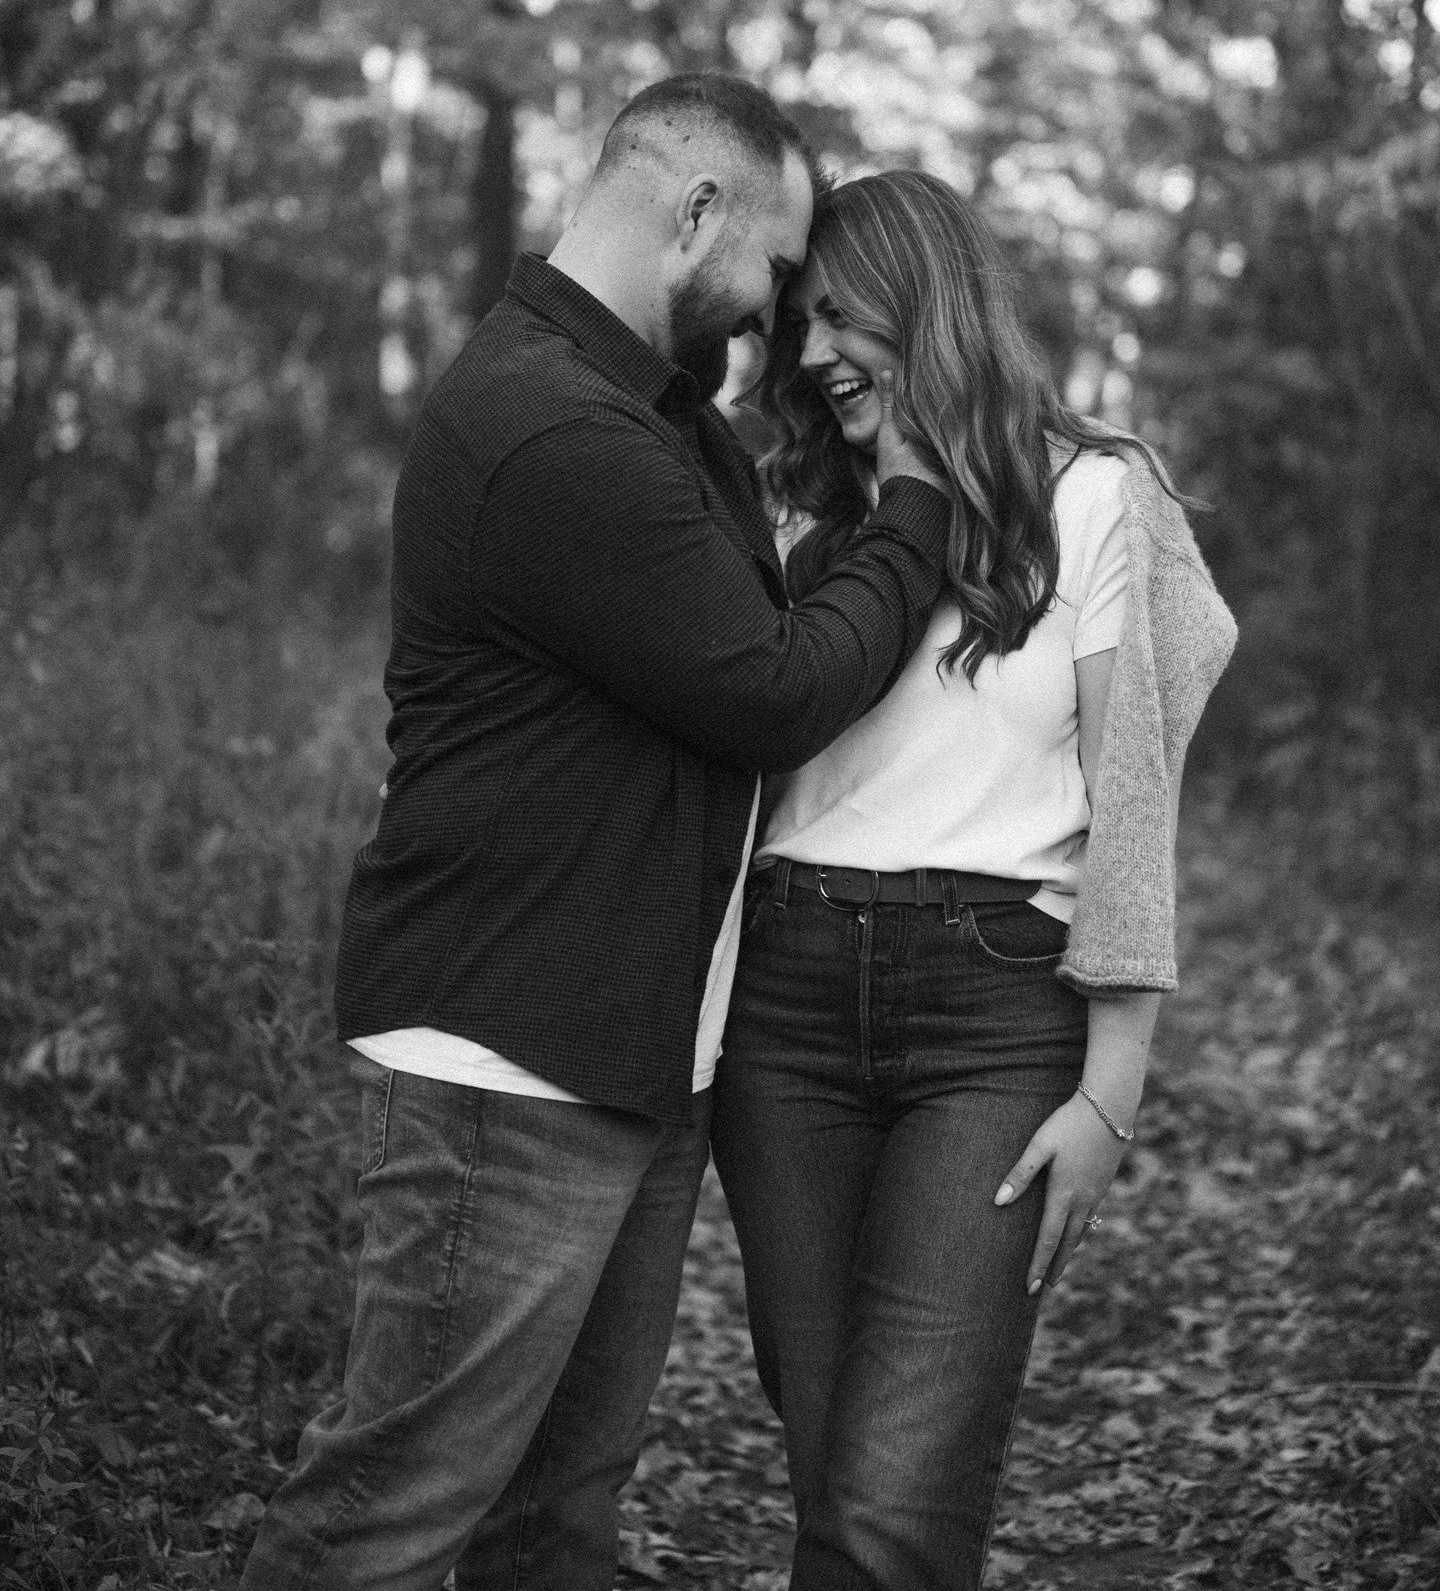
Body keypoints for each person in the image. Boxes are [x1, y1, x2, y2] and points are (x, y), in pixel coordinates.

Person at [238, 78, 952, 1591]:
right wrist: (918, 514)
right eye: (771, 273)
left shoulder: (649, 414)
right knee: (387, 1517)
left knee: (554, 1526)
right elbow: (767, 688)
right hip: (516, 1061)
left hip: (630, 1054)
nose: (772, 321)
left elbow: (730, 627)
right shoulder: (550, 427)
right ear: (695, 214)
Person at [710, 169, 1237, 1591]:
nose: (813, 353)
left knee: (894, 1502)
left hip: (995, 1023)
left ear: (931, 302)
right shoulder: (785, 515)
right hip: (785, 1013)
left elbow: (1137, 803)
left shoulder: (1096, 497)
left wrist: (1111, 1089)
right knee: (832, 1471)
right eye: (799, 321)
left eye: (844, 316)